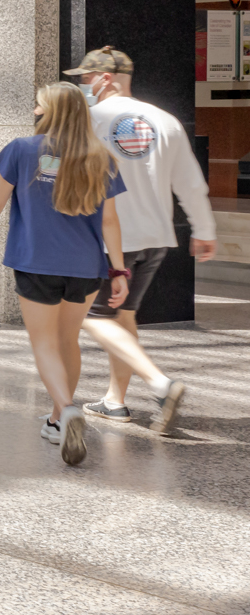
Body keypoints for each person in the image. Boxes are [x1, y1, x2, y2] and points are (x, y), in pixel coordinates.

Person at [0, 82, 128, 466]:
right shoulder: (100, 156)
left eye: (38, 105)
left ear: (49, 111)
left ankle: (68, 409)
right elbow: (111, 221)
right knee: (68, 340)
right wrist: (118, 270)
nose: (34, 110)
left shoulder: (22, 150)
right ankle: (56, 419)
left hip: (36, 262)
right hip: (86, 267)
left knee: (45, 345)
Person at [66, 46, 219, 433]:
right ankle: (115, 401)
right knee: (123, 316)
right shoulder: (166, 120)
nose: (83, 85)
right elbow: (190, 182)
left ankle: (160, 384)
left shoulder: (88, 119)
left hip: (107, 238)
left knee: (85, 315)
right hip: (155, 236)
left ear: (105, 79)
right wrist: (203, 229)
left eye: (85, 78)